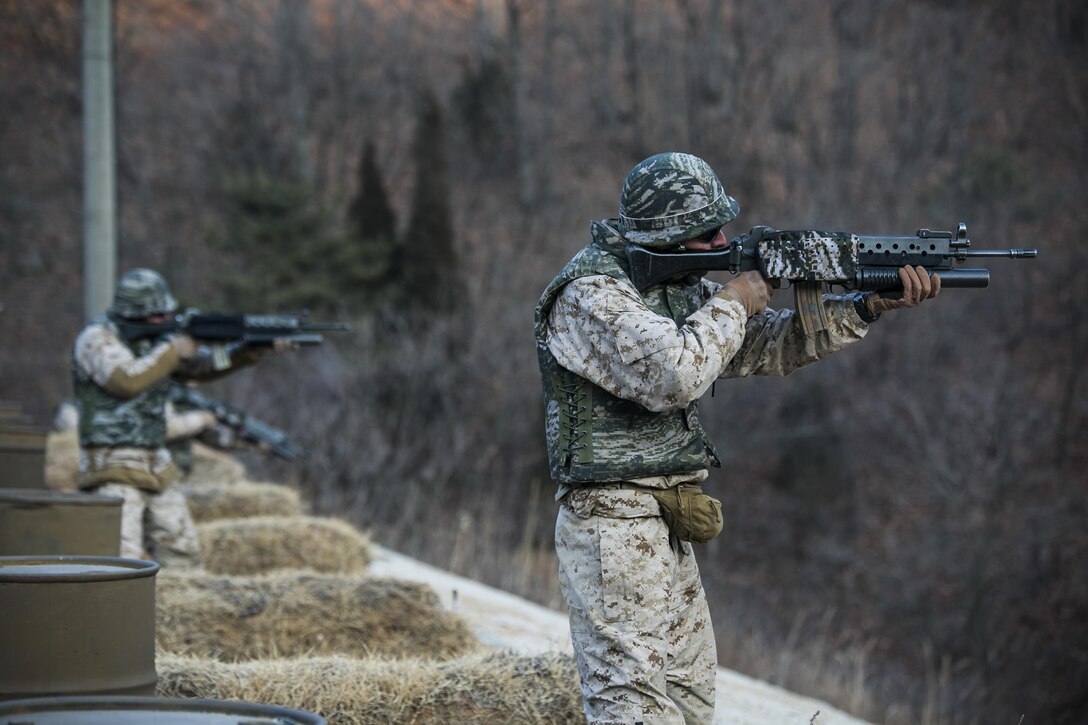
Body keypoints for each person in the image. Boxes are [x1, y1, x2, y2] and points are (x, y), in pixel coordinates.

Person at [533, 152, 939, 724]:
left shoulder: (677, 288)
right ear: (668, 238)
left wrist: (865, 306)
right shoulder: (590, 296)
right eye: (708, 234)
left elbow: (762, 346)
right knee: (634, 710)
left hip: (667, 523)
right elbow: (674, 373)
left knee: (690, 704)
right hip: (612, 527)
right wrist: (733, 299)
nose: (724, 239)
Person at [71, 268, 265, 567]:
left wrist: (248, 351)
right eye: (157, 315)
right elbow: (126, 380)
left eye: (166, 313)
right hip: (112, 464)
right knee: (121, 561)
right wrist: (174, 349)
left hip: (155, 461)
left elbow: (200, 368)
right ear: (134, 314)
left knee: (183, 551)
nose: (166, 319)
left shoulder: (157, 343)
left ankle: (178, 609)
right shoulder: (97, 338)